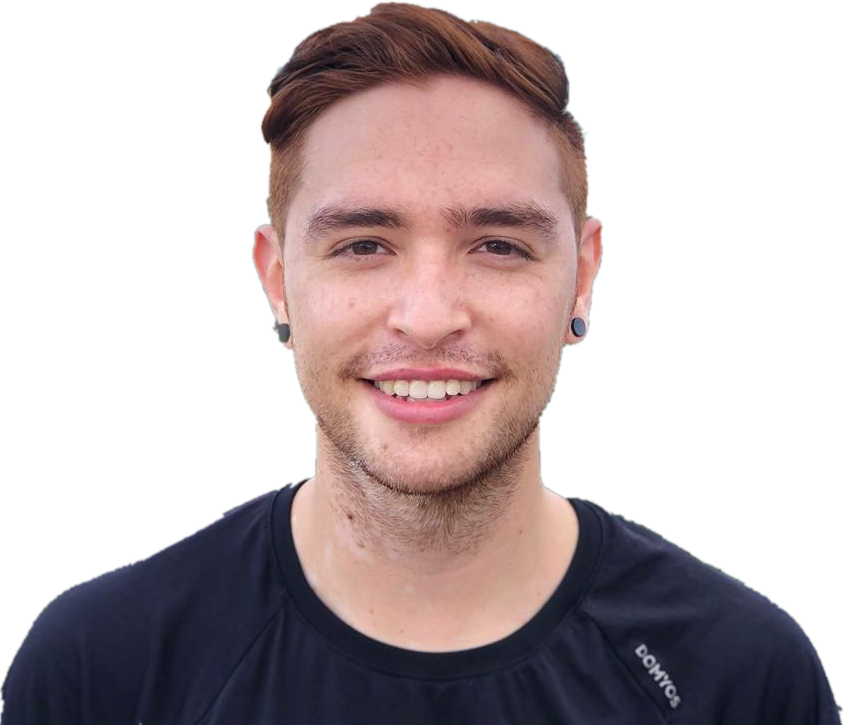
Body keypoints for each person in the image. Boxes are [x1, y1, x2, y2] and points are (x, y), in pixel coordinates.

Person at [1, 3, 841, 723]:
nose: (429, 315)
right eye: (363, 244)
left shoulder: (742, 674)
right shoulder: (102, 665)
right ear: (278, 281)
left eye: (499, 244)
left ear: (581, 276)